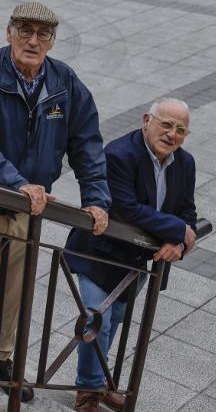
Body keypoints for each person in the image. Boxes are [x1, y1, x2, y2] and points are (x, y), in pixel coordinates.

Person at [0, 1, 110, 402]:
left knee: (15, 286)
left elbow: (86, 142)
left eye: (43, 35)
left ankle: (0, 359)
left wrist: (96, 199)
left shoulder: (64, 81)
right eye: (24, 31)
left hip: (29, 205)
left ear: (52, 41)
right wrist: (16, 182)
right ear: (8, 33)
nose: (33, 41)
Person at [65, 99, 198, 412]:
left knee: (116, 319)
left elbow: (187, 211)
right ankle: (88, 391)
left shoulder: (186, 162)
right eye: (166, 125)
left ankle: (98, 382)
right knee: (97, 320)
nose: (172, 135)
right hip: (101, 253)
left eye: (181, 130)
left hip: (137, 261)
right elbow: (126, 208)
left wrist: (178, 242)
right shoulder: (119, 154)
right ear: (146, 120)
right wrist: (177, 229)